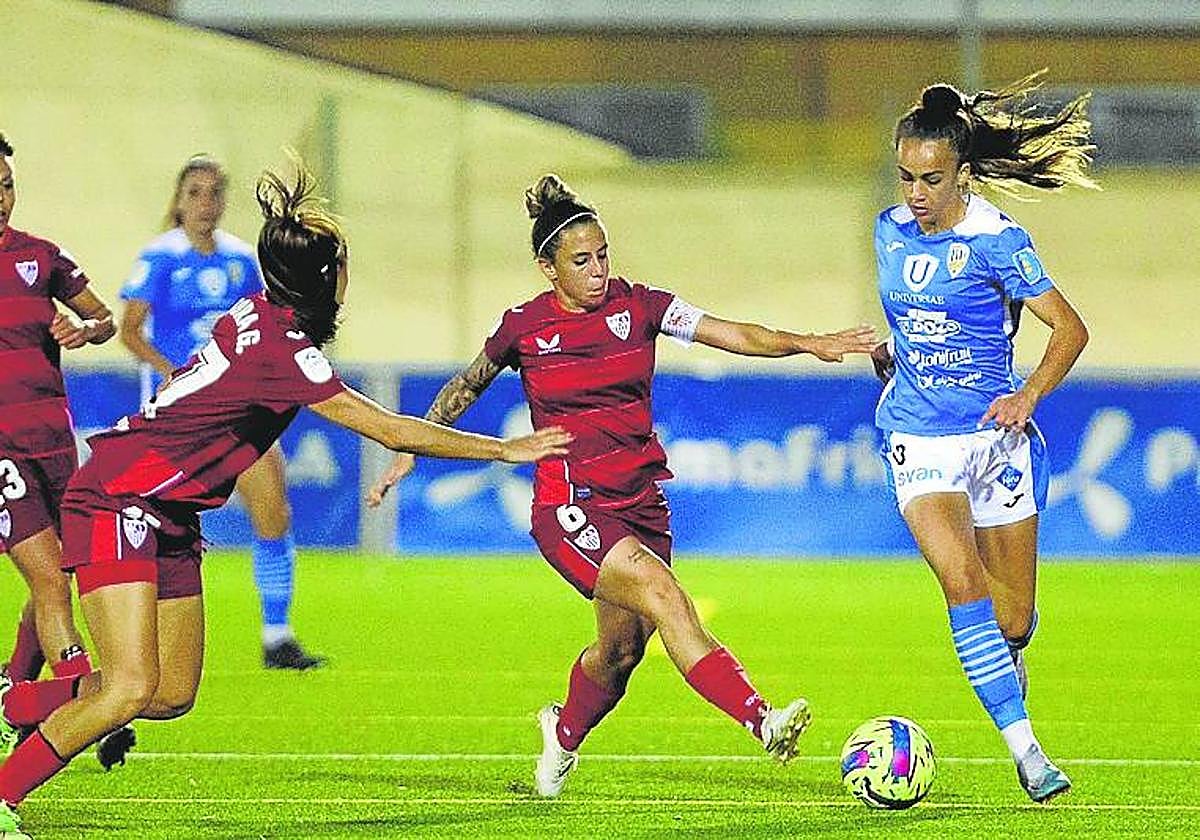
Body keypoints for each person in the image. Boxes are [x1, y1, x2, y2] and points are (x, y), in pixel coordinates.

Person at [0, 161, 571, 837]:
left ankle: (17, 700)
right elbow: (386, 427)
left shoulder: (256, 314)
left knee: (170, 693)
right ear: (328, 278)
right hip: (122, 498)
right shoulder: (284, 350)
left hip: (168, 510)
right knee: (127, 687)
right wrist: (506, 449)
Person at [367, 173, 877, 797]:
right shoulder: (524, 327)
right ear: (547, 267)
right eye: (581, 260)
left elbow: (733, 333)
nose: (598, 270)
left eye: (603, 254)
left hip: (641, 501)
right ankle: (761, 718)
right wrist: (415, 446)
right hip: (570, 504)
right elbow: (468, 384)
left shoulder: (642, 307)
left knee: (619, 655)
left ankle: (562, 733)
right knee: (666, 597)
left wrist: (811, 343)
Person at [871, 73, 1093, 803]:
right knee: (961, 583)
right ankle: (1029, 754)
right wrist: (892, 362)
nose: (915, 194)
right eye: (905, 177)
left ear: (963, 174)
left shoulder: (999, 242)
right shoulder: (888, 233)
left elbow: (1070, 328)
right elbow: (915, 331)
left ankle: (1010, 664)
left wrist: (1026, 395)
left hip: (995, 442)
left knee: (1013, 619)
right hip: (919, 441)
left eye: (931, 179)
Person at [118, 155, 323, 670]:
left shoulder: (240, 259)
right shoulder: (160, 256)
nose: (205, 203)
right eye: (195, 193)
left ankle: (278, 636)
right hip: (178, 416)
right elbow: (130, 330)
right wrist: (170, 370)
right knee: (153, 525)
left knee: (273, 511)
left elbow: (264, 323)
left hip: (237, 409)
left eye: (214, 193)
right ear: (179, 200)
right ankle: (139, 640)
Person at [0, 131, 118, 735]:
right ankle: (80, 694)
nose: (1, 199)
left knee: (60, 575)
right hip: (3, 454)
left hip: (54, 442)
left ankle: (13, 690)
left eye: (7, 185)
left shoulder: (41, 257)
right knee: (49, 579)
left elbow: (105, 318)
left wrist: (84, 329)